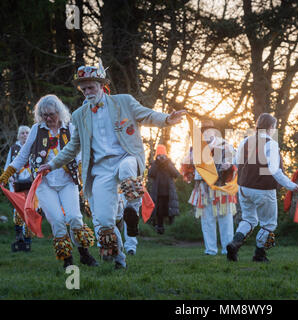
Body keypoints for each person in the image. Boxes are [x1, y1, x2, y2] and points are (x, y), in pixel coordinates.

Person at [37, 59, 186, 269]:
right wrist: (51, 165)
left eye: (91, 87)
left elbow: (147, 115)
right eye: (84, 88)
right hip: (100, 169)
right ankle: (119, 260)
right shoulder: (80, 115)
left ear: (101, 86)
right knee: (105, 222)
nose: (88, 91)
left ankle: (132, 211)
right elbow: (72, 147)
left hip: (126, 157)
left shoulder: (123, 101)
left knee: (127, 170)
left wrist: (167, 119)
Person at [0, 95, 98, 268]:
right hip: (44, 183)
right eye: (44, 115)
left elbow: (80, 151)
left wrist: (83, 167)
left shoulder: (71, 128)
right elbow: (23, 155)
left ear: (59, 112)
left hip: (68, 181)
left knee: (75, 217)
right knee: (58, 220)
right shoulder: (36, 129)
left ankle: (84, 253)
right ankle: (67, 260)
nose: (48, 118)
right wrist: (8, 172)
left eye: (51, 114)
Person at [227, 113, 298, 262]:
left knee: (248, 219)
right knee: (269, 223)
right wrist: (291, 185)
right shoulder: (271, 144)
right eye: (274, 127)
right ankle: (259, 254)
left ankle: (235, 244)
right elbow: (274, 170)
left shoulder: (245, 141)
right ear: (270, 127)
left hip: (244, 187)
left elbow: (235, 162)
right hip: (263, 188)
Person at [187, 120, 237, 256]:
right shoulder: (195, 147)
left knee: (225, 218)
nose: (206, 132)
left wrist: (229, 163)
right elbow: (189, 166)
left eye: (208, 129)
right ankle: (211, 250)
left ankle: (228, 248)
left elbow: (235, 158)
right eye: (203, 130)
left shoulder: (224, 145)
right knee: (207, 220)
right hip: (203, 187)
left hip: (221, 186)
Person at [4, 125, 33, 252]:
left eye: (27, 133)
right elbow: (8, 165)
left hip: (31, 184)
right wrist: (8, 177)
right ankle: (19, 237)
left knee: (30, 210)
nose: (25, 135)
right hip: (16, 184)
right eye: (22, 133)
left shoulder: (33, 147)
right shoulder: (14, 148)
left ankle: (28, 240)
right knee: (18, 211)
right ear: (18, 135)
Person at [147, 144, 180, 235]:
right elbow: (150, 174)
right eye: (159, 156)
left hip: (169, 193)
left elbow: (176, 174)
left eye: (163, 156)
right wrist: (156, 163)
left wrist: (167, 163)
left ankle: (172, 229)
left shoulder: (169, 163)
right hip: (158, 193)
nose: (161, 158)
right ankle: (160, 229)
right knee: (159, 212)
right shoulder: (155, 164)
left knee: (171, 211)